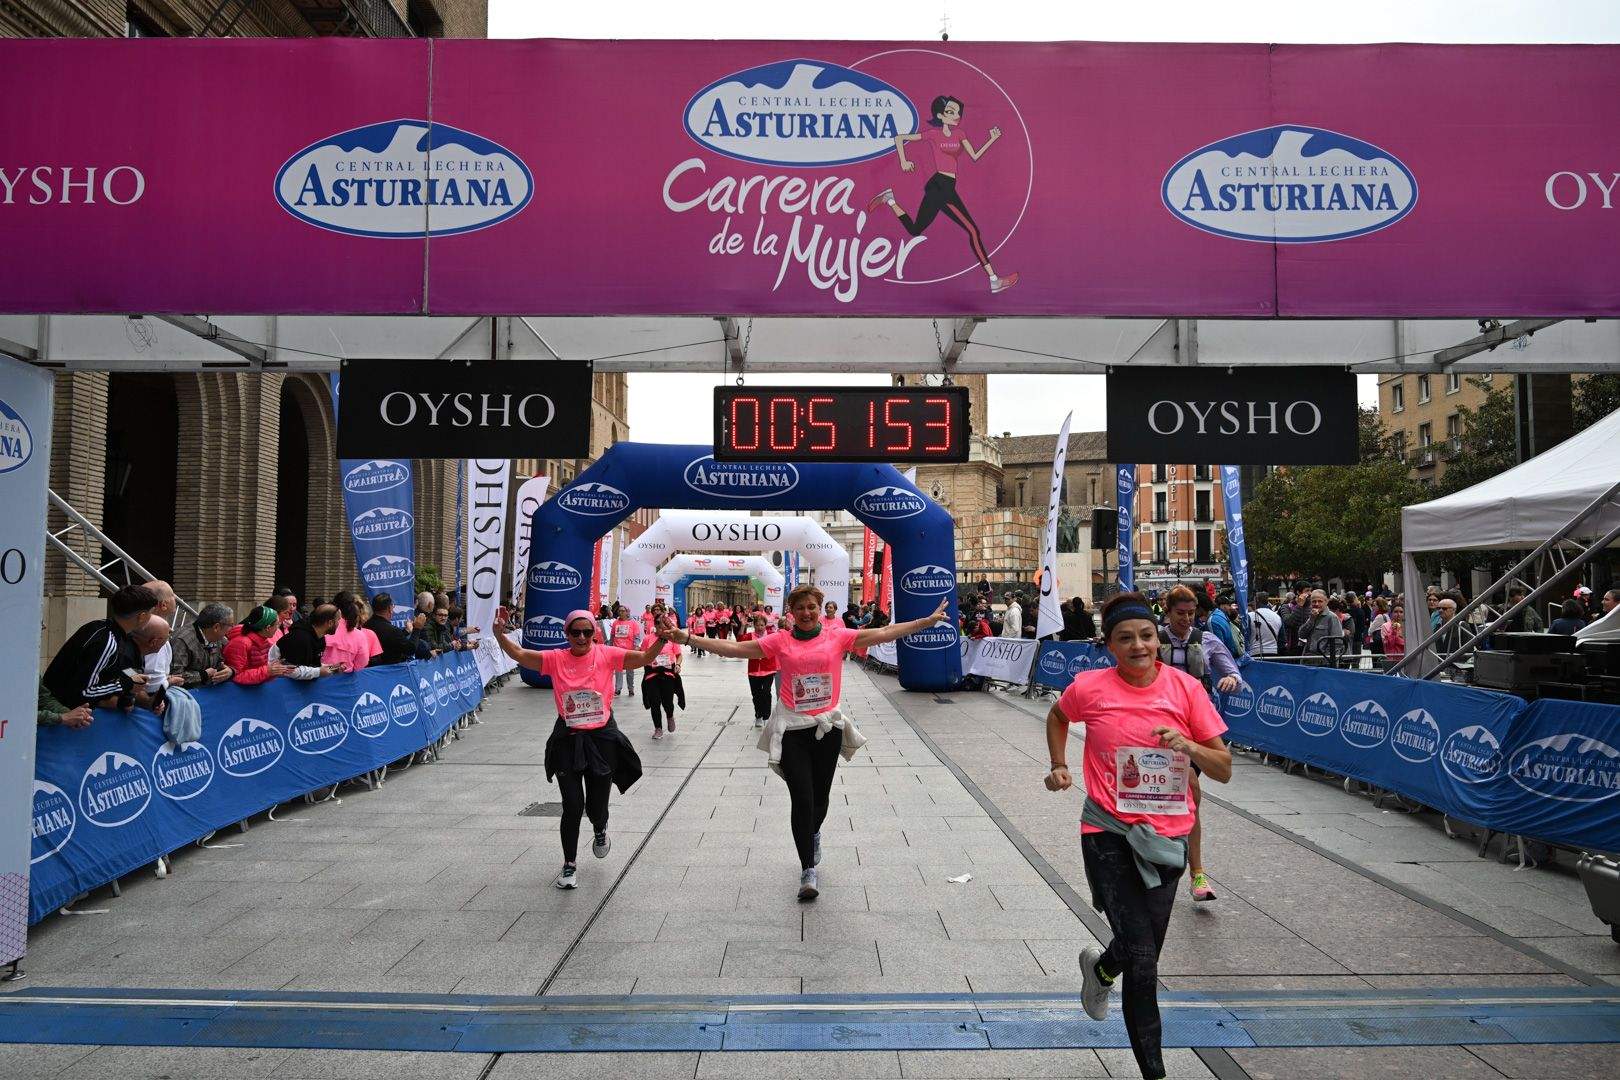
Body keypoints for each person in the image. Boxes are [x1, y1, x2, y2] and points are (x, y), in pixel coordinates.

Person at [659, 584, 951, 900]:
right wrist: (687, 638)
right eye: (800, 608)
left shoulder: (838, 637)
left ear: (820, 609)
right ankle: (807, 869)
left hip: (827, 730)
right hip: (792, 731)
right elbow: (734, 649)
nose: (807, 613)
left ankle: (814, 833)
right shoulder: (780, 640)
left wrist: (925, 621)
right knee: (802, 798)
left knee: (820, 800)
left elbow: (883, 633)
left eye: (812, 607)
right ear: (792, 612)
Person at [1044, 591, 1231, 1080]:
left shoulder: (1186, 690)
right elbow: (1059, 716)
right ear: (1109, 646)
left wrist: (1188, 745)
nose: (1138, 646)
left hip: (1166, 840)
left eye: (1146, 636)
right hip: (1106, 830)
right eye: (1125, 638)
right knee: (1145, 960)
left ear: (1157, 638)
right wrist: (1059, 765)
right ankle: (1155, 1073)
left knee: (1137, 949)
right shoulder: (1090, 687)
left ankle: (1101, 970)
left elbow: (1224, 767)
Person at [492, 607, 664, 889]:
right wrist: (500, 636)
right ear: (567, 634)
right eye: (575, 632)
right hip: (568, 737)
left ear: (594, 632)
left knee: (596, 807)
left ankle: (599, 827)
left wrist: (662, 638)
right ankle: (569, 864)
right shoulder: (556, 658)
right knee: (572, 805)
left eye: (587, 631)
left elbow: (644, 658)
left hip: (601, 737)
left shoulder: (607, 654)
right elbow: (520, 655)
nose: (582, 637)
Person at [867, 93, 1019, 294]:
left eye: (957, 112)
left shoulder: (960, 134)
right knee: (973, 231)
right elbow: (899, 138)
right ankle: (993, 280)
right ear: (940, 115)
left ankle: (890, 199)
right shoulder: (933, 134)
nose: (956, 116)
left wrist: (991, 139)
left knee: (915, 230)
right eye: (950, 112)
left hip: (946, 187)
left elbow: (974, 156)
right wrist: (903, 160)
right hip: (939, 186)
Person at [1158, 584, 1242, 903]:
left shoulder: (1206, 640)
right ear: (1168, 612)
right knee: (1172, 791)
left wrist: (1231, 679)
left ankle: (1197, 873)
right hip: (1159, 726)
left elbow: (1234, 672)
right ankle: (1167, 858)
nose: (1186, 619)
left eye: (1191, 613)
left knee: (1189, 792)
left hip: (1196, 727)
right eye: (1180, 613)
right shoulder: (1152, 639)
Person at [42, 584, 158, 710]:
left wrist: (132, 678)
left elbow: (117, 668)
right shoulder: (106, 641)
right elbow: (84, 691)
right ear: (142, 616)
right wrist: (126, 684)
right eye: (151, 613)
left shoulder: (104, 628)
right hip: (58, 705)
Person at [170, 602, 235, 688]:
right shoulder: (182, 640)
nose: (232, 628)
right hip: (185, 693)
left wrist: (229, 671)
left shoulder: (216, 638)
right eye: (231, 625)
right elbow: (175, 676)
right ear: (216, 627)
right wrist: (203, 675)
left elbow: (219, 663)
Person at [224, 606, 292, 685]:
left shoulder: (264, 640)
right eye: (276, 624)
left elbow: (263, 671)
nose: (277, 628)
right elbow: (236, 676)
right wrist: (268, 671)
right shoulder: (241, 643)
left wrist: (278, 670)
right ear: (268, 628)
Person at [641, 613, 684, 739]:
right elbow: (642, 655)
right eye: (660, 623)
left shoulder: (672, 638)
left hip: (668, 673)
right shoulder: (648, 639)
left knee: (667, 702)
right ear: (655, 624)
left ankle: (670, 716)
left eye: (665, 623)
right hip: (652, 674)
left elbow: (679, 655)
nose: (662, 626)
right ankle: (658, 728)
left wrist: (678, 665)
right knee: (654, 701)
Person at [276, 603, 346, 678]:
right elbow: (290, 670)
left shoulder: (320, 638)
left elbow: (311, 665)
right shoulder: (299, 638)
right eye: (338, 620)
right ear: (330, 623)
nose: (339, 624)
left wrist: (331, 668)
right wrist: (318, 672)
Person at [739, 611, 779, 728]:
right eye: (757, 625)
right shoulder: (750, 636)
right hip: (754, 670)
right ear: (754, 625)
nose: (760, 627)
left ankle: (766, 716)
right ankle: (758, 715)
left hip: (768, 669)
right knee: (756, 694)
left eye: (762, 625)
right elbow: (740, 641)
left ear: (765, 625)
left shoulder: (771, 635)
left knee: (766, 692)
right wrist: (742, 626)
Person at [365, 593, 419, 666]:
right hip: (390, 669)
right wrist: (417, 628)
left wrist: (406, 631)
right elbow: (410, 649)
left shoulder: (366, 625)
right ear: (389, 609)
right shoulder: (392, 630)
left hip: (369, 669)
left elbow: (392, 640)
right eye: (392, 606)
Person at [608, 604, 643, 696]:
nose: (621, 612)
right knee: (618, 670)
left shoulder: (633, 623)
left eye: (623, 611)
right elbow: (612, 636)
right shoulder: (615, 622)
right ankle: (618, 689)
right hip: (617, 650)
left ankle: (630, 689)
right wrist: (610, 647)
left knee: (630, 671)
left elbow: (637, 637)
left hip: (629, 651)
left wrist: (636, 647)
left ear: (627, 612)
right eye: (619, 611)